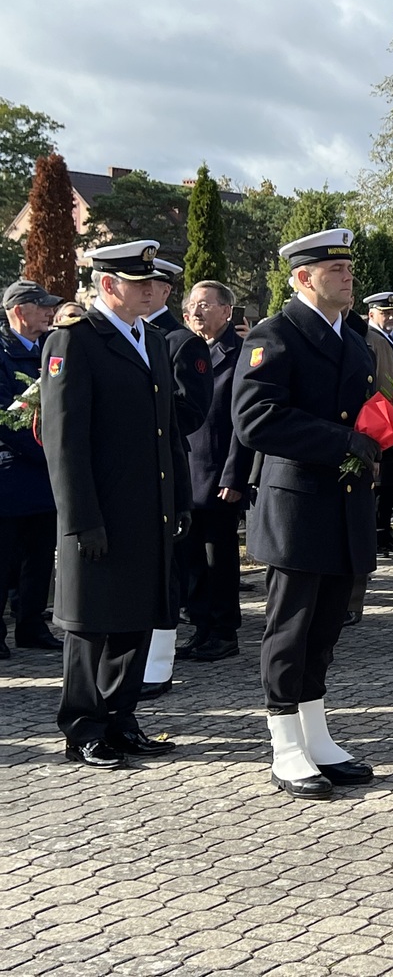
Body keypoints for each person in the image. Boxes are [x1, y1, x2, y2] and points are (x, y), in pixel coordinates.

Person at [232, 228, 379, 799]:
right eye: (334, 269)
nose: (347, 276)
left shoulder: (354, 338)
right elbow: (256, 419)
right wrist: (343, 440)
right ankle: (285, 743)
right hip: (298, 506)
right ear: (302, 277)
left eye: (348, 267)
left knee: (324, 629)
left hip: (343, 503)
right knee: (290, 629)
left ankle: (316, 736)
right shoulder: (275, 335)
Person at [42, 241, 190, 768]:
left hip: (148, 509)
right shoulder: (75, 340)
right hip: (100, 513)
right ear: (108, 285)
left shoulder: (153, 339)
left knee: (137, 618)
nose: (152, 290)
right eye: (139, 282)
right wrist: (81, 519)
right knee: (90, 626)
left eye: (153, 282)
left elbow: (167, 430)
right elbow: (64, 441)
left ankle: (121, 718)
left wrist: (180, 499)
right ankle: (84, 727)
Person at [138, 257, 215, 697]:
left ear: (165, 291)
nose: (143, 291)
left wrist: (140, 425)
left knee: (167, 567)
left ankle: (158, 665)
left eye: (150, 284)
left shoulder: (180, 342)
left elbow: (192, 410)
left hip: (165, 466)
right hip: (127, 472)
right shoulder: (125, 336)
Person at [177, 280, 253, 662]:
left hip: (220, 473)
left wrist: (234, 475)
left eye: (205, 304)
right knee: (193, 558)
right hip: (188, 472)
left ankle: (224, 632)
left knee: (218, 559)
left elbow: (242, 422)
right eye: (193, 303)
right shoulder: (187, 351)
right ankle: (201, 627)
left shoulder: (239, 354)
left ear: (226, 311)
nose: (196, 310)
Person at [0, 279, 63, 658]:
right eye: (41, 306)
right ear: (19, 311)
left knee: (40, 556)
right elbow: (6, 419)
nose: (49, 312)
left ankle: (32, 624)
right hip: (11, 472)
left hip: (45, 475)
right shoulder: (2, 352)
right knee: (4, 556)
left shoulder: (51, 348)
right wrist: (47, 450)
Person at [363, 291, 393, 556]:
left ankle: (385, 533)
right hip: (379, 416)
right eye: (386, 313)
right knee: (379, 482)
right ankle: (377, 533)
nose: (392, 317)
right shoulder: (369, 339)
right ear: (372, 314)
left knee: (391, 480)